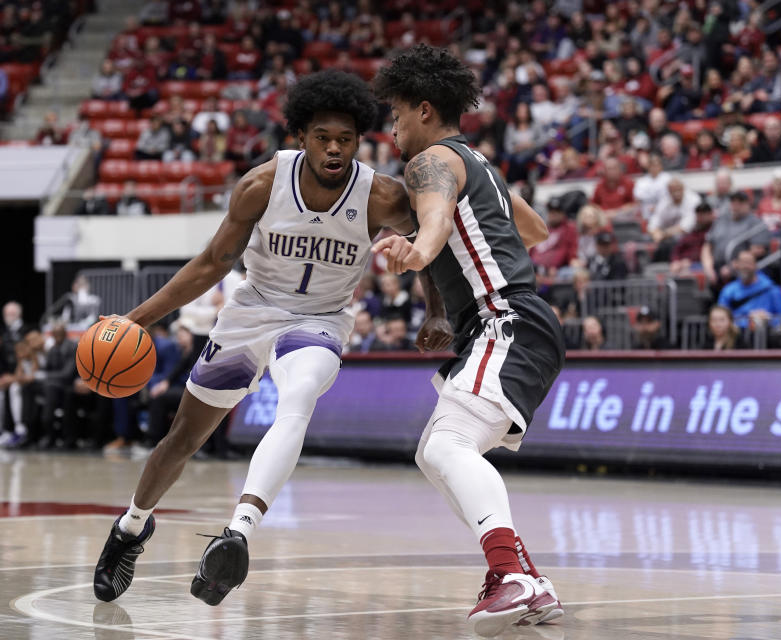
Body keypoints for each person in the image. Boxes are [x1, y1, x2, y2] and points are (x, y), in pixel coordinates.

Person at [91, 70, 452, 607]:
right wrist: (139, 319)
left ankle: (238, 533)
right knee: (182, 439)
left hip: (321, 320)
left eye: (346, 140)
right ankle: (131, 527)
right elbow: (213, 262)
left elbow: (430, 239)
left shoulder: (378, 195)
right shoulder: (262, 184)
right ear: (300, 136)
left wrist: (437, 310)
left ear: (359, 141)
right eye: (323, 137)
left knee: (298, 395)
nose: (334, 148)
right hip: (251, 312)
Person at [372, 44, 565, 634]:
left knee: (449, 447)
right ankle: (528, 579)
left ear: (425, 110)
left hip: (503, 317)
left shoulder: (430, 161)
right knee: (434, 452)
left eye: (399, 115)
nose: (394, 129)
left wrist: (418, 251)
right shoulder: (479, 166)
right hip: (509, 318)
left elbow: (431, 226)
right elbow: (533, 229)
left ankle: (509, 576)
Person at [717, 250, 781, 329]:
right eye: (742, 262)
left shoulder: (772, 289)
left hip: (766, 336)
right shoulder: (728, 291)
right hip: (736, 335)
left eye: (749, 263)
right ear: (736, 265)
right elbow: (720, 317)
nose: (745, 266)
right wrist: (746, 321)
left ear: (755, 265)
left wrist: (769, 319)